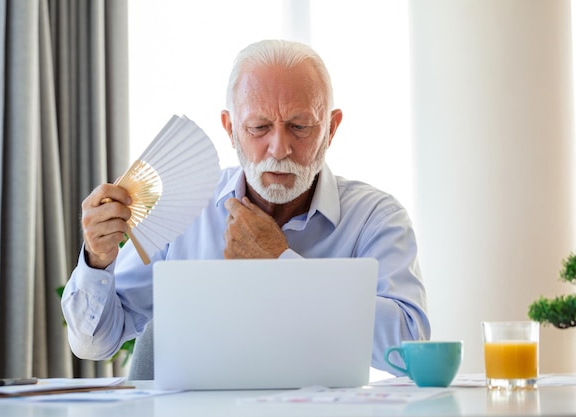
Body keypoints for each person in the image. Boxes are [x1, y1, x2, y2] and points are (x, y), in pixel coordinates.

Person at [61, 39, 430, 374]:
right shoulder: (186, 209)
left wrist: (282, 267)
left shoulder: (374, 218)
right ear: (230, 128)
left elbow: (411, 349)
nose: (279, 147)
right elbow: (94, 342)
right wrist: (98, 259)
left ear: (331, 129)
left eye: (300, 126)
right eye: (259, 127)